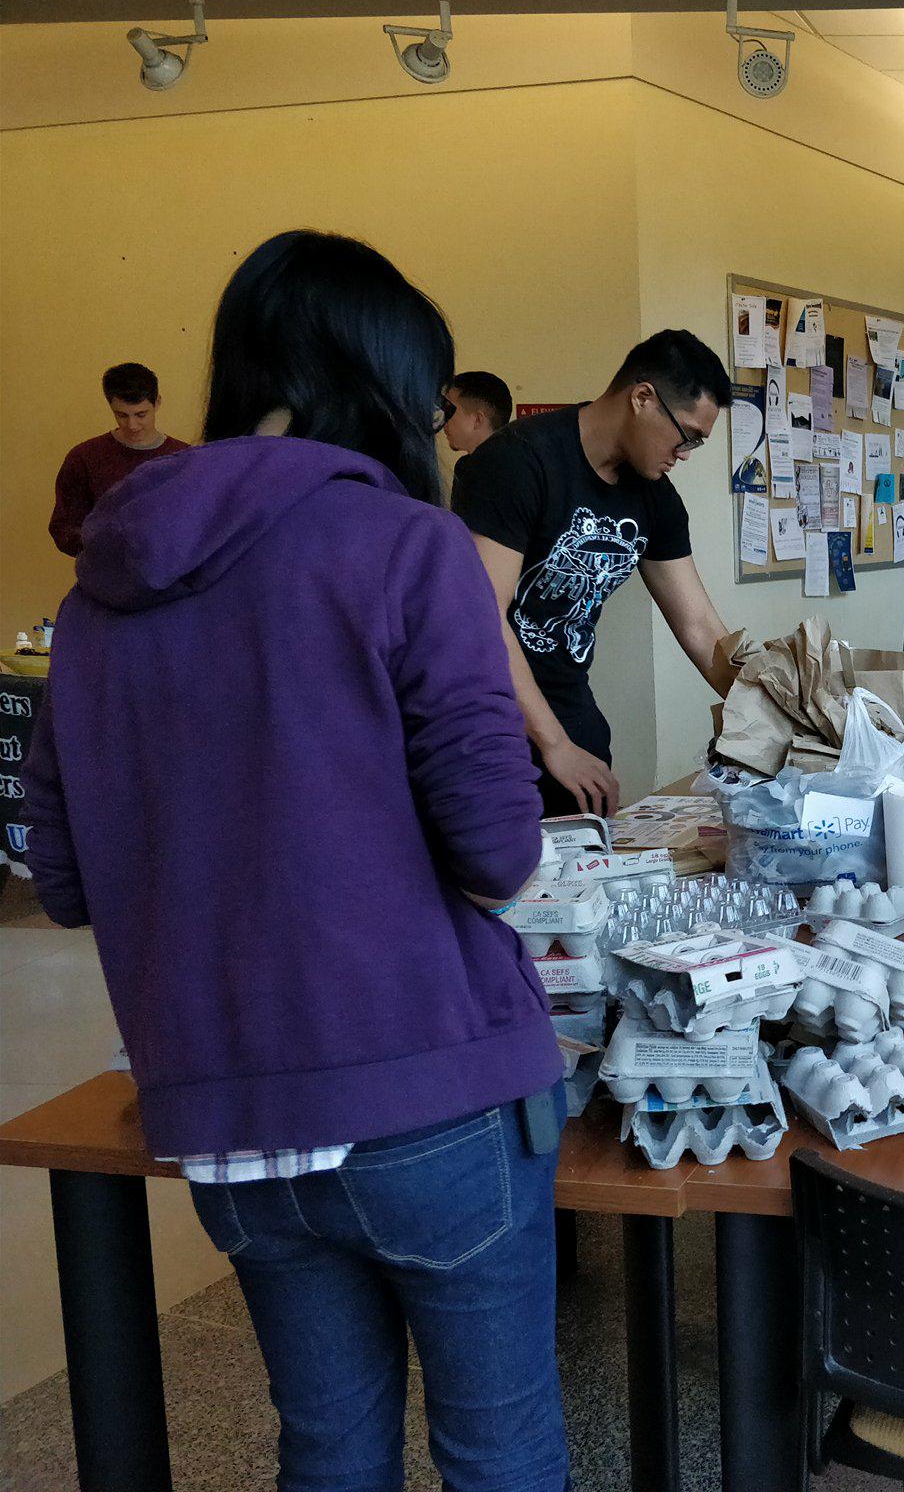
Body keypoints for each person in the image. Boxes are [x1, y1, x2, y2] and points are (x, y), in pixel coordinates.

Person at [24, 230, 569, 1490]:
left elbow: (60, 877)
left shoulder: (96, 593)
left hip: (226, 1119)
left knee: (326, 1446)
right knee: (499, 1451)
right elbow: (496, 850)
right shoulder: (401, 545)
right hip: (426, 1097)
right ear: (380, 384)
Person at [454, 330, 737, 817]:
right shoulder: (516, 462)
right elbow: (480, 618)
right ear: (643, 397)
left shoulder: (656, 497)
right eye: (687, 434)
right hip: (490, 724)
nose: (686, 452)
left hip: (571, 720)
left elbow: (701, 628)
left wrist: (783, 714)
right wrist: (553, 745)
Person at [48, 362, 190, 555]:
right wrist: (104, 542)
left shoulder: (185, 458)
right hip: (105, 578)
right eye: (121, 415)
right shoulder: (84, 457)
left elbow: (199, 525)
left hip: (171, 579)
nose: (132, 425)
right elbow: (63, 527)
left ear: (157, 403)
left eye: (141, 414)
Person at [443, 368, 513, 457]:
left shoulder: (497, 469)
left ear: (478, 420)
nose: (443, 421)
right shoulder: (512, 462)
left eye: (449, 411)